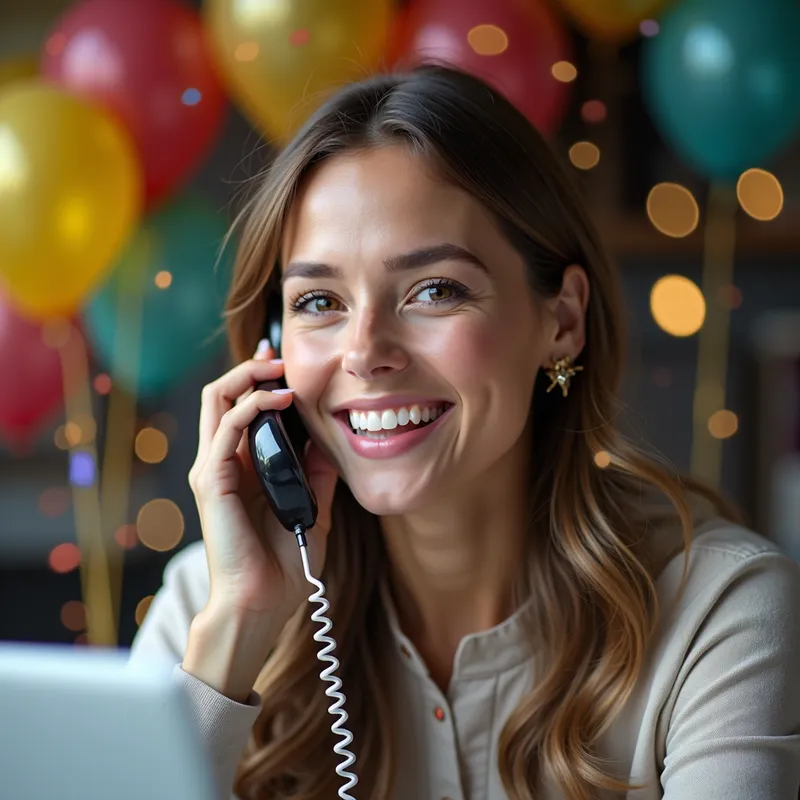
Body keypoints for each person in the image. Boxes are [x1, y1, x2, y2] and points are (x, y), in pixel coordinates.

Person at [130, 65, 800, 800]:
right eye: (320, 301)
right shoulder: (207, 604)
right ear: (272, 356)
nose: (363, 353)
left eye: (435, 290)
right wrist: (239, 632)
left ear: (563, 321)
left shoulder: (718, 610)